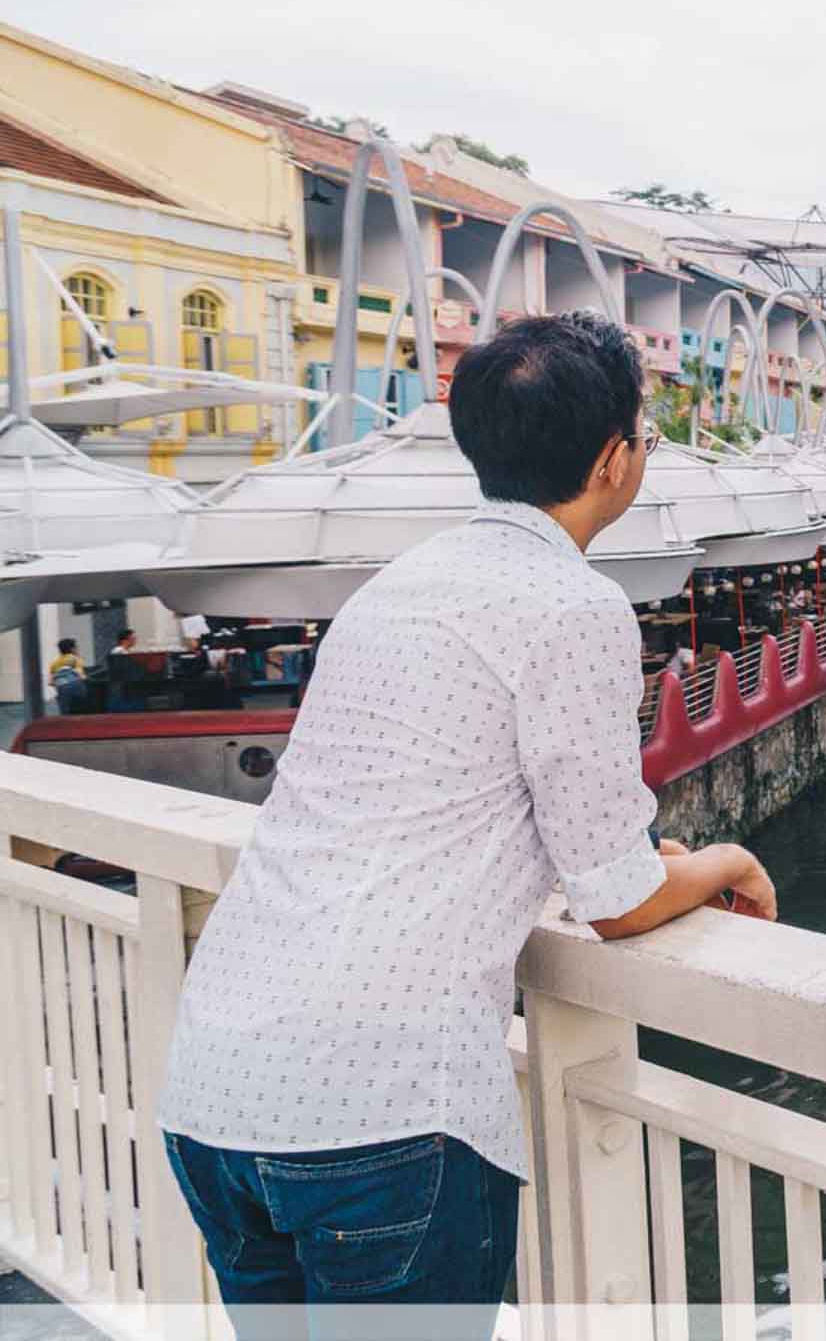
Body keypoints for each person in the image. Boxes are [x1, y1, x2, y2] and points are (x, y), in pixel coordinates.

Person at [157, 312, 776, 1339]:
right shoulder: (572, 606)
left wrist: (619, 859)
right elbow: (617, 904)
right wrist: (720, 862)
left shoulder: (393, 586)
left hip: (217, 1092)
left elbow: (434, 803)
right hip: (381, 1116)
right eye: (647, 440)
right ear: (615, 458)